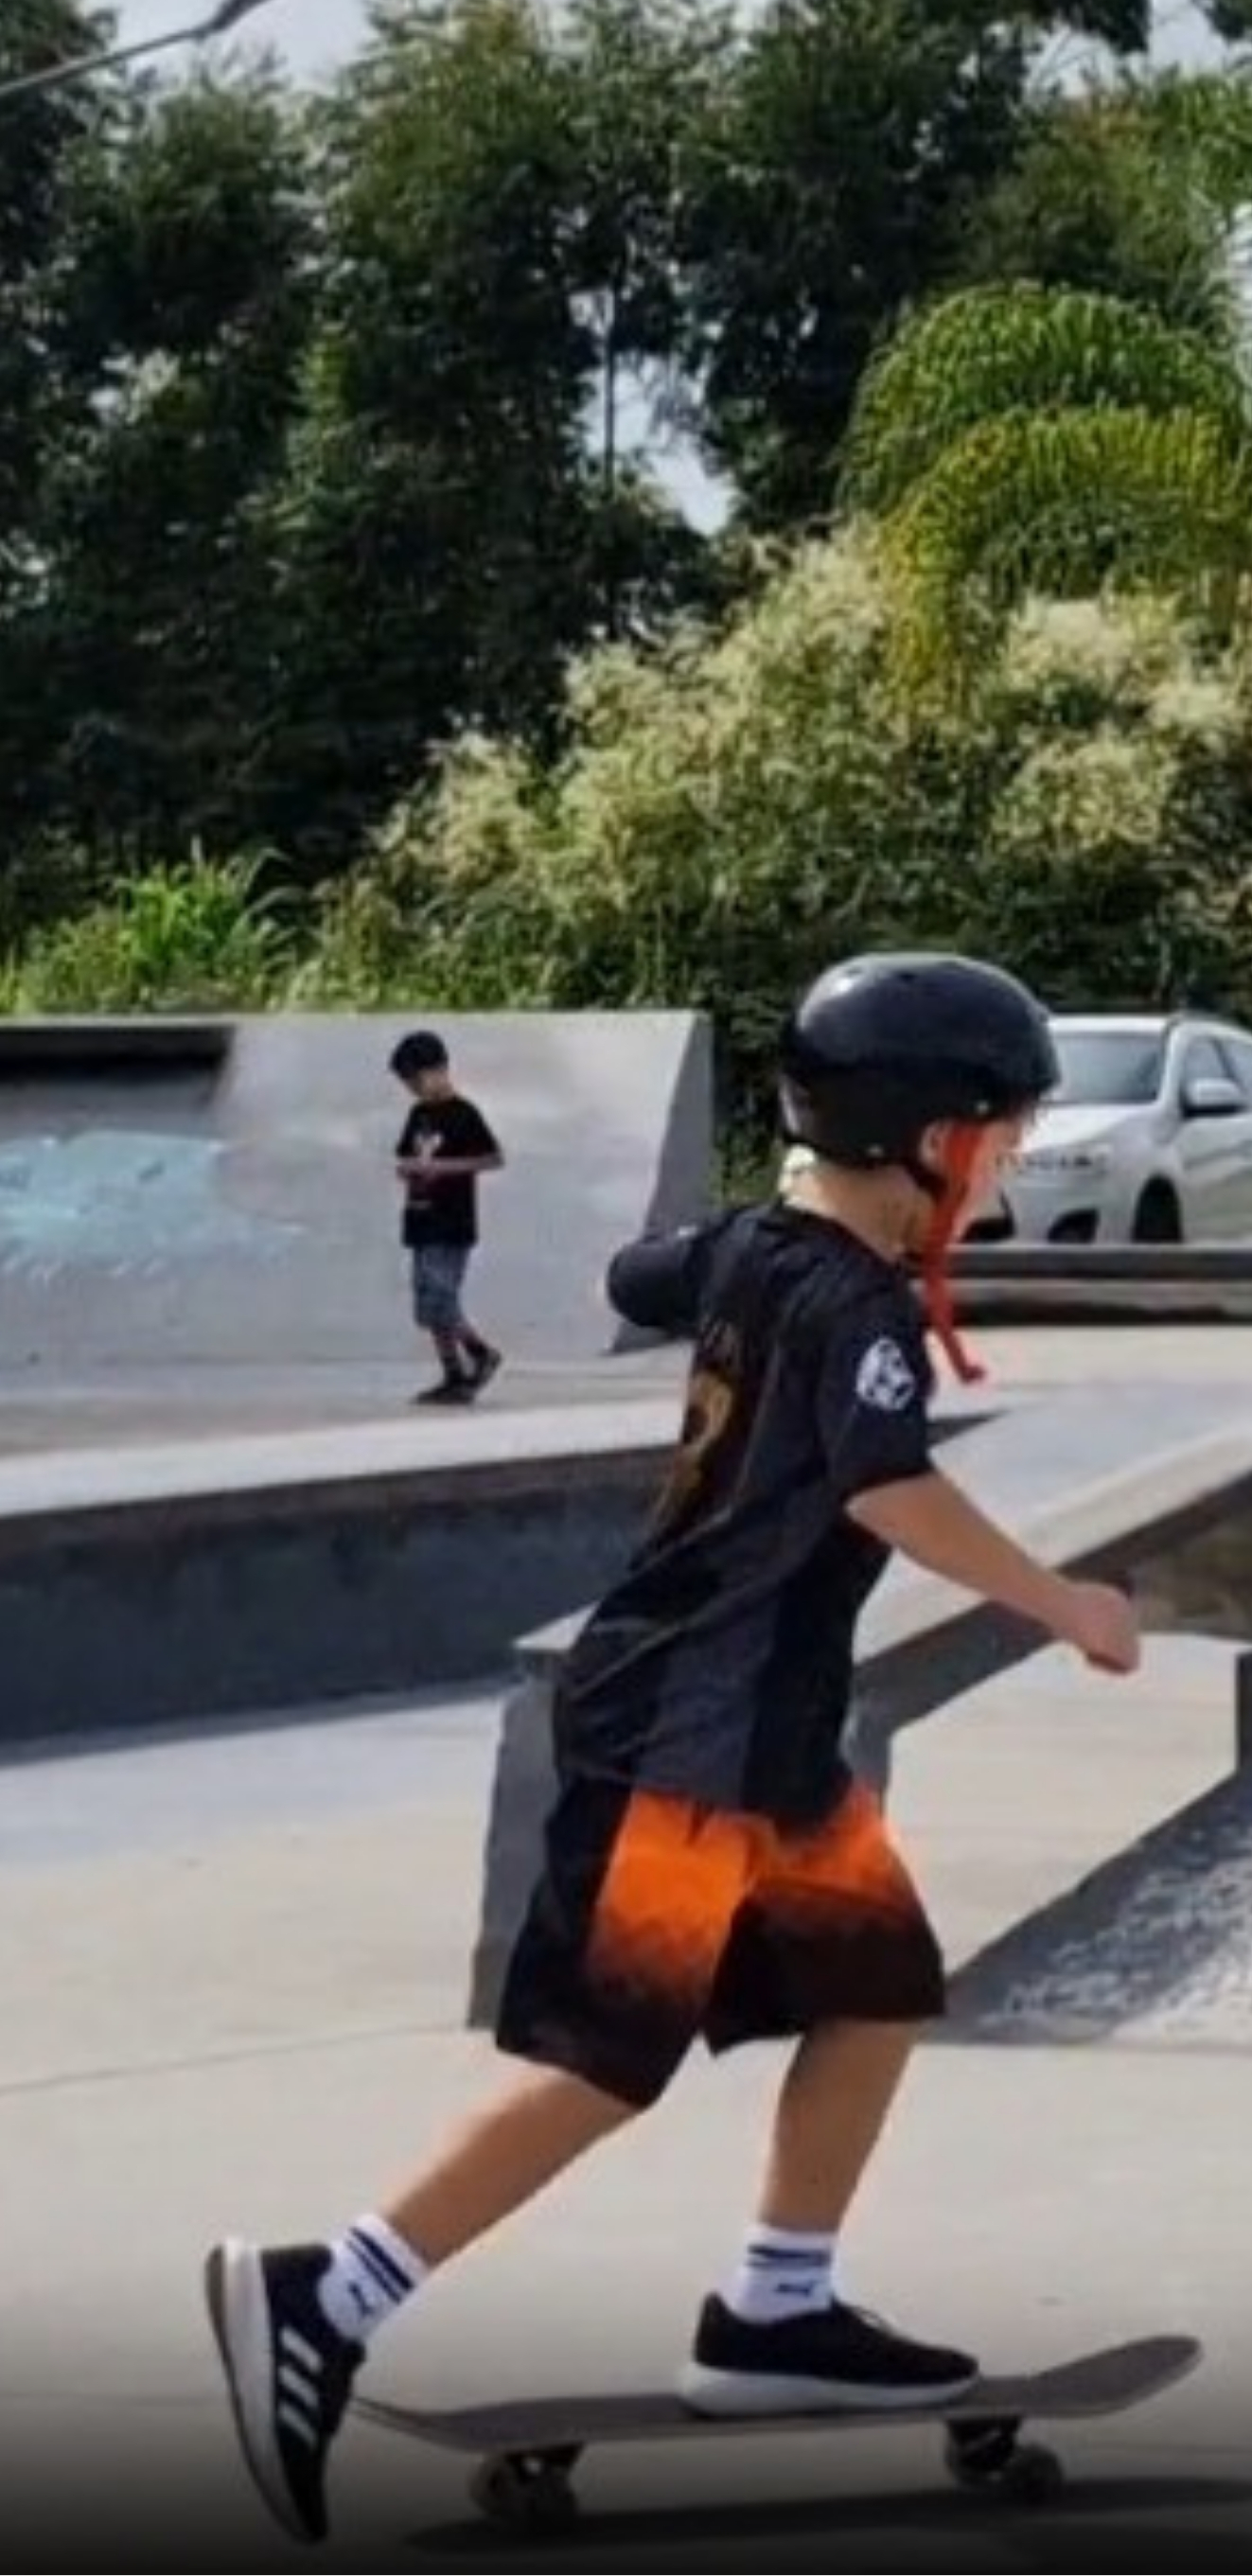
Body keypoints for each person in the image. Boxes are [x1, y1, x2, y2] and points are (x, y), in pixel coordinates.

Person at [203, 953, 1147, 2549]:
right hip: (690, 1736)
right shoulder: (857, 1308)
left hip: (769, 1741)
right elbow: (887, 1491)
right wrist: (1066, 1601)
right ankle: (327, 2292)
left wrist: (757, 1223)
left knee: (874, 1988)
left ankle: (777, 2311)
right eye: (998, 1138)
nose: (1003, 1175)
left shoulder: (760, 1250)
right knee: (607, 2055)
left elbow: (642, 1275)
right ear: (925, 1139)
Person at [390, 1032, 507, 1408]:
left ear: (439, 1070)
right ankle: (452, 1374)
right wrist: (409, 1171)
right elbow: (409, 1155)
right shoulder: (418, 1115)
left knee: (442, 1296)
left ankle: (480, 1352)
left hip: (451, 1220)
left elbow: (491, 1159)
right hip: (421, 1217)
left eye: (416, 1080)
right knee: (427, 1304)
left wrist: (441, 1167)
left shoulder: (463, 1113)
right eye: (407, 1084)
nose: (412, 1090)